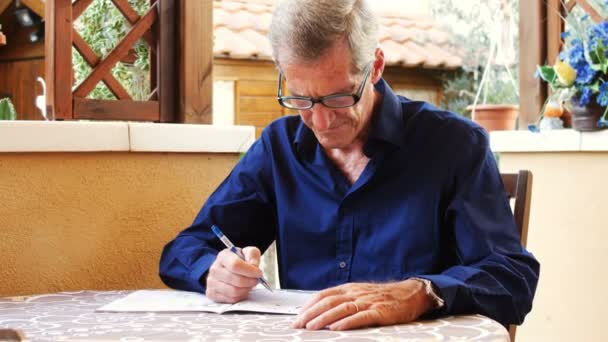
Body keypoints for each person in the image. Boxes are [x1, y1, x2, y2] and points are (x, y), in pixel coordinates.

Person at [160, 0, 539, 331]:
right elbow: (184, 249)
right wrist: (214, 271)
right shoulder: (278, 148)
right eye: (301, 99)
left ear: (375, 67)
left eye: (339, 97)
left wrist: (421, 292)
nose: (321, 122)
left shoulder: (454, 145)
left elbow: (512, 277)